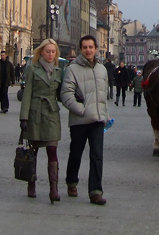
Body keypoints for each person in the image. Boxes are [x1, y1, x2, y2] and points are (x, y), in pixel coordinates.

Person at [60, 35, 109, 205]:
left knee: (97, 156)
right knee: (76, 153)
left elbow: (103, 96)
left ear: (96, 49)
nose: (88, 50)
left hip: (97, 120)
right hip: (79, 121)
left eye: (91, 47)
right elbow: (66, 94)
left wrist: (105, 116)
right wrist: (81, 110)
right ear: (80, 49)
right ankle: (71, 181)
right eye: (85, 47)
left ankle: (95, 191)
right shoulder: (72, 69)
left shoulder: (102, 69)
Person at [20, 38, 63, 203]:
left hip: (51, 114)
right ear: (41, 52)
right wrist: (23, 117)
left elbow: (61, 94)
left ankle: (54, 189)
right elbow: (27, 94)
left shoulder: (59, 71)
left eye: (53, 51)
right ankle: (31, 183)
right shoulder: (32, 69)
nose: (50, 54)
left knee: (52, 150)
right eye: (47, 51)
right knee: (34, 151)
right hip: (35, 113)